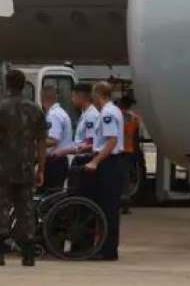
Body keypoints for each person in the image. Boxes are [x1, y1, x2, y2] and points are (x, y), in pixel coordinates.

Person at [0, 69, 48, 267]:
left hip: (3, 168)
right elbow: (42, 142)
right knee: (25, 209)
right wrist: (41, 168)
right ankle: (28, 254)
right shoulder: (35, 109)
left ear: (6, 84)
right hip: (27, 167)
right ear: (24, 85)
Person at [82, 82, 126, 261]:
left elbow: (112, 141)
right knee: (107, 207)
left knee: (108, 208)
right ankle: (106, 248)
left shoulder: (108, 113)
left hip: (109, 163)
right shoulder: (112, 111)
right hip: (110, 161)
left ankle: (107, 251)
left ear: (98, 94)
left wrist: (95, 161)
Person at [40, 85, 73, 192]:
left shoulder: (53, 115)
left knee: (49, 195)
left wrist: (34, 143)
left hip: (54, 161)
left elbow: (53, 139)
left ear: (42, 98)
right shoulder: (60, 112)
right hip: (59, 161)